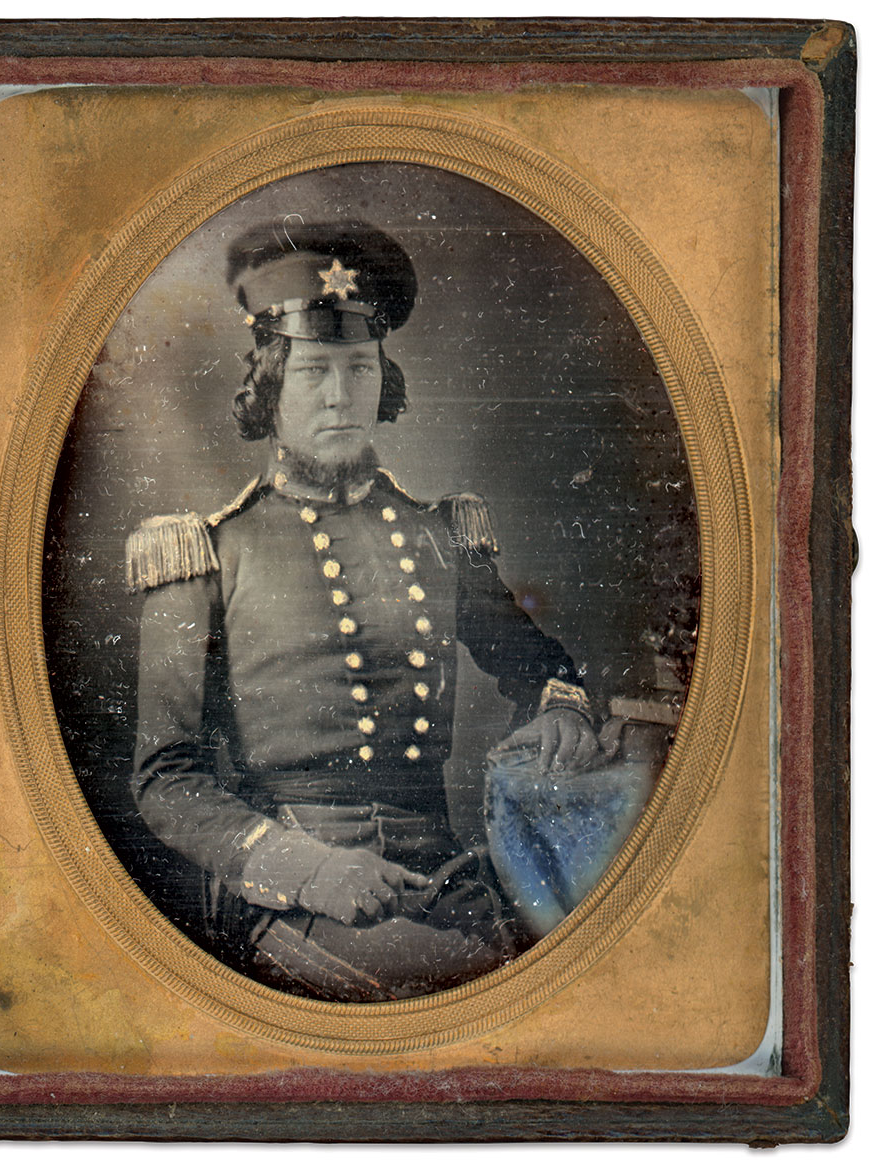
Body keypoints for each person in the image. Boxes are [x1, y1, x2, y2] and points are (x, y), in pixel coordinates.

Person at [127, 221, 600, 1002]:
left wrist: (562, 710)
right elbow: (166, 780)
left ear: (384, 379)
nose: (340, 395)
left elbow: (539, 663)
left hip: (445, 873)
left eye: (360, 368)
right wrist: (310, 870)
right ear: (270, 385)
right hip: (292, 894)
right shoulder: (205, 553)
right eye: (314, 370)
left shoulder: (439, 535)